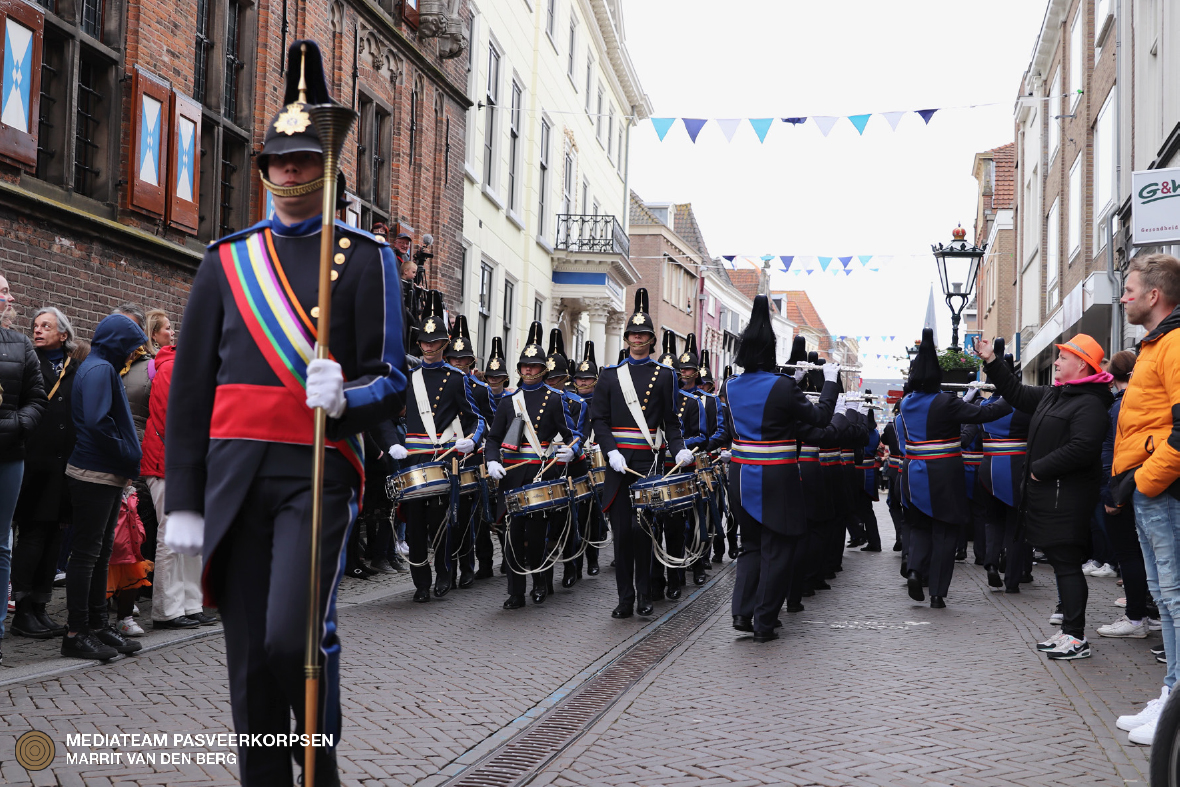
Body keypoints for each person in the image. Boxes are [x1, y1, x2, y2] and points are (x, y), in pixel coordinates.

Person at [163, 40, 407, 786]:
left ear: (326, 167)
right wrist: (184, 499)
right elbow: (191, 391)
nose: (291, 172)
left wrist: (348, 398)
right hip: (235, 475)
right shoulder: (225, 261)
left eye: (306, 160)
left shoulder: (367, 260)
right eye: (280, 161)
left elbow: (392, 381)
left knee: (290, 638)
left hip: (315, 469)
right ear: (265, 169)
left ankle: (317, 760)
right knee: (246, 655)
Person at [977, 332, 1113, 660]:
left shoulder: (1090, 402)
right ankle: (1069, 630)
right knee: (1060, 565)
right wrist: (992, 362)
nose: (1056, 362)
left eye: (1063, 357)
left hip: (1066, 498)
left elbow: (1083, 447)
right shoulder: (1059, 394)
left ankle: (1076, 638)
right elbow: (1018, 394)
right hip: (1051, 496)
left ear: (1081, 365)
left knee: (1067, 565)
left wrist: (1039, 468)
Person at [724, 296, 838, 641]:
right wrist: (829, 383)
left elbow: (733, 430)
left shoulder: (728, 386)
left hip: (742, 475)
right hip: (777, 476)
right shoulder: (784, 386)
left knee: (751, 546)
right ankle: (764, 621)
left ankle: (743, 613)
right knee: (780, 547)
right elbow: (818, 419)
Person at [1110, 253, 1180, 746]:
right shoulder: (1156, 345)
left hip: (1166, 491)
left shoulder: (1174, 343)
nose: (1123, 297)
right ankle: (1173, 694)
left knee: (1175, 599)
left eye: (1130, 290)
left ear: (1154, 295)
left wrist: (1147, 479)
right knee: (1166, 599)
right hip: (1154, 490)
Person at [589, 289, 690, 619]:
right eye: (633, 333)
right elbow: (599, 419)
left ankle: (645, 593)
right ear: (627, 336)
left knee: (643, 531)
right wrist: (610, 451)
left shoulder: (665, 376)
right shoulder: (609, 376)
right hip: (619, 463)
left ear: (651, 339)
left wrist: (680, 450)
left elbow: (671, 423)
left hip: (648, 462)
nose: (637, 339)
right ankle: (624, 598)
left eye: (643, 335)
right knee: (621, 533)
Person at [899, 329, 1007, 610]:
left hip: (913, 472)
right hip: (943, 473)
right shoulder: (945, 402)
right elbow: (987, 414)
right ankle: (937, 593)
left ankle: (914, 570)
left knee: (921, 527)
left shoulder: (905, 403)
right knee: (945, 531)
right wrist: (1010, 392)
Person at [388, 290, 482, 601]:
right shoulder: (409, 378)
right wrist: (393, 445)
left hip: (443, 459)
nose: (429, 348)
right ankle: (420, 583)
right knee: (414, 527)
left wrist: (470, 440)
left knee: (440, 524)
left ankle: (444, 573)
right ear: (420, 344)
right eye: (424, 343)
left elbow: (475, 419)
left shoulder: (456, 379)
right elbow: (386, 415)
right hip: (414, 460)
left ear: (443, 344)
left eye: (434, 342)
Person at [63, 313, 146, 661]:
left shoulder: (100, 366)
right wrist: (127, 452)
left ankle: (96, 626)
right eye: (130, 347)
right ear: (116, 343)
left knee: (98, 553)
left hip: (104, 471)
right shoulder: (100, 370)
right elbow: (98, 422)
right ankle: (77, 632)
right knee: (87, 554)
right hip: (94, 471)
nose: (132, 355)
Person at [485, 322, 580, 608]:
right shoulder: (508, 402)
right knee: (513, 535)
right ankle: (515, 592)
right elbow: (493, 439)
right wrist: (491, 461)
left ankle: (540, 583)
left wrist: (570, 453)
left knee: (537, 534)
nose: (528, 370)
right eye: (524, 366)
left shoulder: (554, 399)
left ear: (543, 370)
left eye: (534, 366)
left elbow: (572, 435)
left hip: (540, 474)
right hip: (512, 475)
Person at [11, 307, 74, 640]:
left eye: (46, 326)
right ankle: (21, 610)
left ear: (63, 334)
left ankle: (40, 606)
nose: (37, 331)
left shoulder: (74, 366)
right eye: (35, 326)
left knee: (54, 536)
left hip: (64, 465)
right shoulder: (26, 361)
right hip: (36, 461)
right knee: (33, 534)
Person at [140, 328, 206, 630]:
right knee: (170, 536)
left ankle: (192, 603)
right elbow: (171, 419)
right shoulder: (171, 368)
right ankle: (166, 609)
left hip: (191, 463)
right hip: (170, 463)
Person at [0, 273, 47, 663]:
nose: (10, 296)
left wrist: (17, 425)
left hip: (9, 455)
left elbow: (37, 397)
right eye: (2, 291)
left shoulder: (20, 345)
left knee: (2, 543)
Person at [1096, 351, 1152, 639]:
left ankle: (1135, 617)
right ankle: (1148, 613)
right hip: (1142, 486)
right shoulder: (1144, 403)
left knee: (1129, 554)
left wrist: (1111, 495)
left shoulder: (1119, 407)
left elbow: (1114, 454)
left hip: (1123, 488)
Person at [976, 340, 1030, 594]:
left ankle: (990, 563)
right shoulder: (1025, 406)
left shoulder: (985, 406)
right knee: (1016, 525)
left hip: (989, 468)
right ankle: (1012, 579)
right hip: (1018, 467)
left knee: (993, 521)